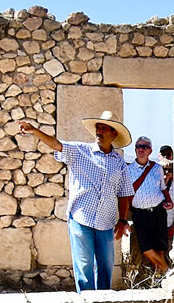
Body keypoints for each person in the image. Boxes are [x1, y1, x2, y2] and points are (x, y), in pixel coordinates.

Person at [17, 111, 133, 292]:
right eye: (98, 127)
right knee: (84, 267)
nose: (99, 131)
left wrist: (123, 220)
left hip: (106, 222)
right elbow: (56, 144)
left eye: (104, 128)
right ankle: (86, 302)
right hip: (81, 218)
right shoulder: (80, 151)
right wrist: (34, 130)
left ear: (114, 134)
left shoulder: (119, 163)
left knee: (106, 266)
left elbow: (124, 193)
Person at [125, 136, 173, 274]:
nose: (141, 149)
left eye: (145, 147)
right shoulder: (128, 170)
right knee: (146, 248)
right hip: (140, 214)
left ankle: (158, 276)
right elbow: (125, 195)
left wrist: (169, 201)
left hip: (158, 212)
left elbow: (162, 188)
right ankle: (167, 270)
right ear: (135, 150)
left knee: (160, 248)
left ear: (150, 151)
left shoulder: (157, 168)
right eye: (139, 147)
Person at [158, 145, 174, 242]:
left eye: (168, 154)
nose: (166, 156)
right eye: (164, 170)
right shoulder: (154, 177)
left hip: (172, 223)